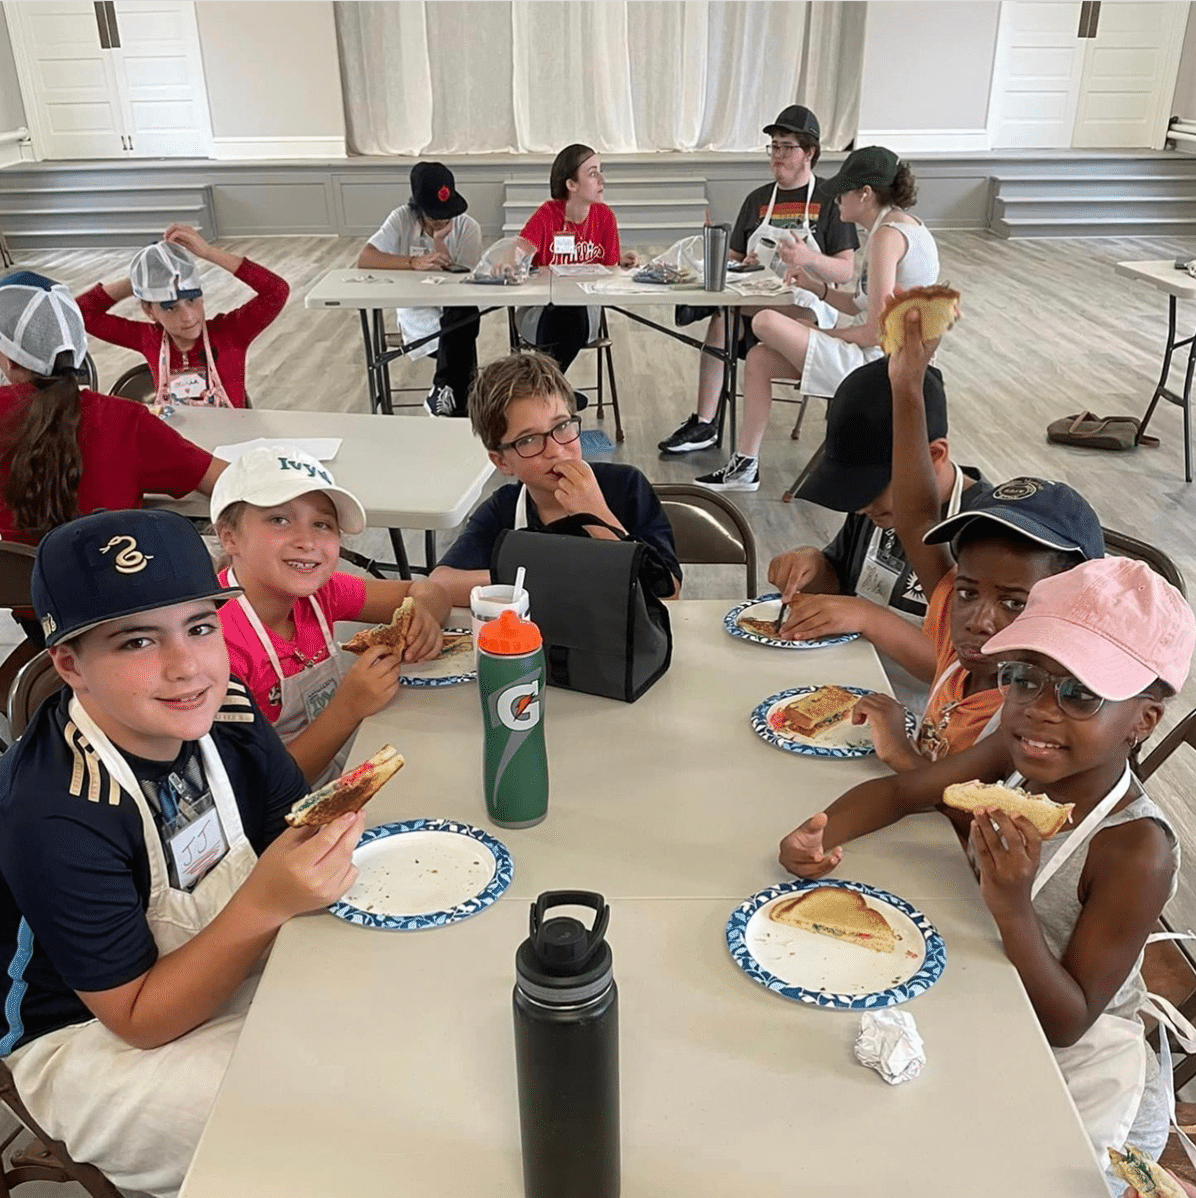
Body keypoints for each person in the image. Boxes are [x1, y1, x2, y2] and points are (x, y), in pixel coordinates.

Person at [778, 555, 1196, 1185]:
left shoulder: (1136, 848)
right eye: (1025, 678)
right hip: (985, 989)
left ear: (1142, 721)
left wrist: (1011, 904)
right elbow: (905, 793)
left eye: (1080, 693)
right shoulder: (1017, 743)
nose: (1041, 709)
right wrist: (818, 834)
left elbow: (1068, 1021)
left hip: (1069, 1071)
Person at [0, 508, 365, 1198]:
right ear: (69, 662)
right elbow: (139, 1018)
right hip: (90, 1038)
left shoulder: (224, 708)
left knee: (372, 1030)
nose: (186, 667)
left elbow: (290, 827)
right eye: (137, 642)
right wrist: (266, 901)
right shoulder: (56, 810)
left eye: (200, 627)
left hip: (229, 940)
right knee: (316, 1118)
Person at [696, 145, 938, 492]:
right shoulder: (899, 228)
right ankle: (745, 466)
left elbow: (876, 332)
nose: (836, 199)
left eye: (842, 191)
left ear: (865, 194)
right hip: (893, 359)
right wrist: (817, 288)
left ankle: (743, 463)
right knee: (761, 357)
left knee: (764, 320)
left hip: (883, 367)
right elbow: (862, 305)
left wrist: (820, 332)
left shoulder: (887, 238)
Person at [0, 271, 224, 643]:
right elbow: (223, 480)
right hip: (121, 614)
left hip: (35, 614)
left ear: (7, 357)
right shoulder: (125, 420)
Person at [212, 446, 450, 786]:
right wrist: (349, 706)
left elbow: (428, 591)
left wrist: (423, 614)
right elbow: (263, 789)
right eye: (279, 519)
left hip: (337, 769)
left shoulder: (320, 593)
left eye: (322, 524)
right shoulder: (216, 647)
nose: (307, 541)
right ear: (229, 537)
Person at [765, 358, 992, 688]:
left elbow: (968, 673)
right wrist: (813, 566)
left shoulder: (989, 535)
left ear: (934, 456)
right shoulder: (876, 510)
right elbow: (840, 584)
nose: (860, 507)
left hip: (929, 720)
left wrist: (869, 618)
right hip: (848, 687)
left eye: (870, 488)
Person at [658, 105, 857, 456]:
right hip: (757, 298)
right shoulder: (758, 200)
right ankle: (705, 422)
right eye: (773, 147)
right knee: (722, 318)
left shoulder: (829, 201)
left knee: (748, 312)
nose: (776, 156)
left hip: (808, 307)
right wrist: (739, 262)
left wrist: (807, 258)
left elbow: (845, 271)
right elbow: (732, 261)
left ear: (809, 152)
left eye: (786, 147)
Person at [430, 352, 681, 607]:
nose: (555, 449)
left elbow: (667, 593)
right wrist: (543, 577)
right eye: (528, 440)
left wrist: (596, 514)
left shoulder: (626, 486)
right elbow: (439, 585)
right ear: (502, 462)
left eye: (562, 427)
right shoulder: (503, 512)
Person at [77, 224, 289, 409]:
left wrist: (208, 253)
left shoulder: (230, 332)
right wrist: (140, 279)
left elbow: (276, 291)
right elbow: (81, 312)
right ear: (149, 311)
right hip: (177, 446)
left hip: (228, 445)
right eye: (170, 308)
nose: (188, 317)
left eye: (192, 301)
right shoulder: (148, 338)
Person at [357, 162, 484, 418]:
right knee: (462, 343)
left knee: (463, 317)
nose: (441, 221)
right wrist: (412, 263)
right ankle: (459, 406)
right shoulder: (400, 219)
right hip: (417, 306)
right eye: (433, 216)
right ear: (418, 209)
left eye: (446, 215)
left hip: (458, 307)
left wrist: (440, 243)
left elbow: (467, 285)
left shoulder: (468, 228)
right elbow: (365, 258)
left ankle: (442, 391)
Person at [514, 144, 638, 405]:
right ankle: (552, 392)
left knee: (571, 308)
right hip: (540, 315)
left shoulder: (605, 217)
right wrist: (508, 261)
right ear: (571, 184)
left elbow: (610, 267)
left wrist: (621, 263)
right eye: (593, 173)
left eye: (601, 172)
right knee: (561, 309)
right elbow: (520, 248)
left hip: (584, 319)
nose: (602, 180)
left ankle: (544, 393)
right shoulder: (548, 214)